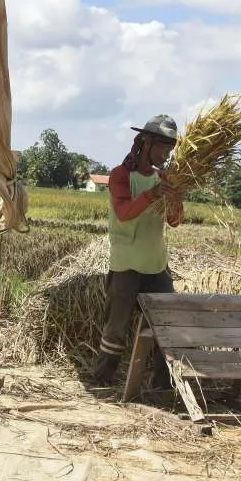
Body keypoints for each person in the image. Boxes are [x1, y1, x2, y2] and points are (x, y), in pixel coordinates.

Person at [90, 114, 186, 389]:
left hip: (157, 265)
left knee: (165, 325)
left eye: (171, 148)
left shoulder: (163, 178)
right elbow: (123, 214)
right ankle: (102, 380)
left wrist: (176, 196)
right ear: (146, 142)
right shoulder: (121, 176)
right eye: (163, 147)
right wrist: (154, 194)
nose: (167, 153)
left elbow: (175, 221)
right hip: (126, 265)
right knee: (116, 328)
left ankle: (162, 385)